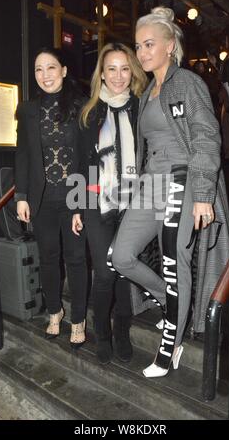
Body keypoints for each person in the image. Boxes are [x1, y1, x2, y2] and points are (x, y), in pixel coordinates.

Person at [112, 7, 229, 378]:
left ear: (170, 45)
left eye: (149, 44)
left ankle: (171, 343)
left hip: (184, 180)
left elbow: (207, 137)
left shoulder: (188, 82)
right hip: (152, 183)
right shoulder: (148, 91)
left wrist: (203, 195)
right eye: (138, 45)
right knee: (121, 255)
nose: (143, 52)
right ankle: (171, 300)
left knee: (172, 260)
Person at [72, 43, 148, 364]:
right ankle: (102, 332)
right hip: (95, 203)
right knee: (104, 273)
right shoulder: (89, 111)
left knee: (124, 271)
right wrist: (76, 205)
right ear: (101, 73)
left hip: (132, 204)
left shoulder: (141, 108)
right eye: (111, 69)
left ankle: (121, 331)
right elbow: (79, 162)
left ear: (133, 71)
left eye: (124, 68)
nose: (118, 76)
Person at [15, 47, 88, 346]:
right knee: (48, 258)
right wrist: (21, 195)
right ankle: (55, 311)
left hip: (73, 198)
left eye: (51, 68)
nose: (44, 75)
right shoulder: (29, 110)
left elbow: (87, 159)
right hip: (41, 199)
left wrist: (82, 204)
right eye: (38, 69)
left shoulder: (82, 106)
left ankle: (79, 318)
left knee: (77, 259)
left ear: (64, 71)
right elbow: (22, 155)